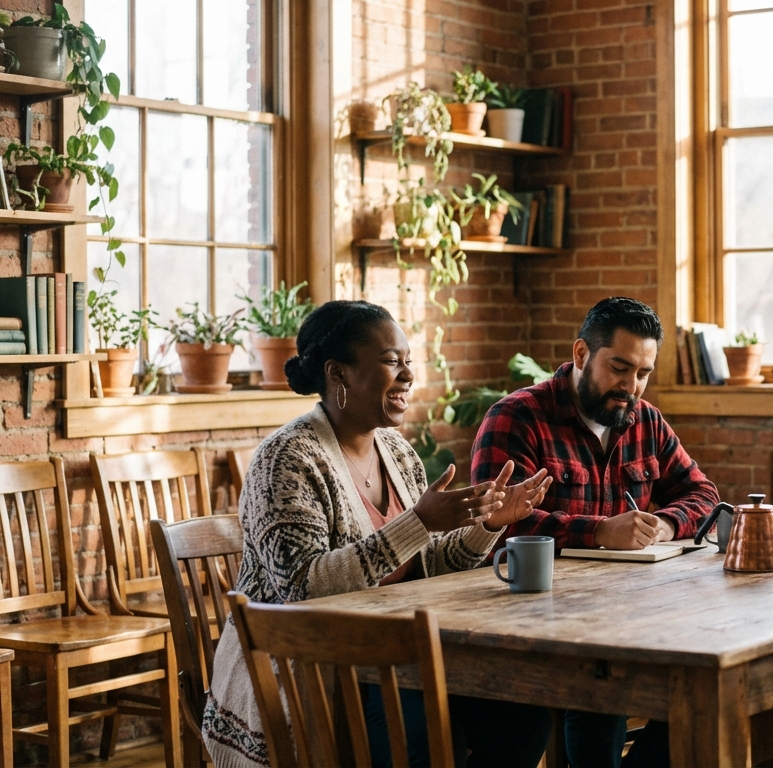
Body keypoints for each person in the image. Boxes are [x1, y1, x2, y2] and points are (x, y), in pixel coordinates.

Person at [203, 301, 555, 768]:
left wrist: (488, 524)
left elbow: (425, 566)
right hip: (310, 663)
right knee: (423, 730)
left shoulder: (397, 451)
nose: (408, 375)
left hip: (396, 655)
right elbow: (303, 588)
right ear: (338, 373)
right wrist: (419, 523)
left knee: (524, 712)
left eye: (408, 360)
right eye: (392, 361)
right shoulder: (286, 460)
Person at [471, 296, 719, 768]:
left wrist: (665, 524)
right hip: (530, 622)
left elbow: (703, 493)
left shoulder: (645, 420)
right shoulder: (515, 417)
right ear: (582, 353)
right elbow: (500, 523)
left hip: (624, 613)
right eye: (619, 368)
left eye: (643, 373)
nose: (631, 386)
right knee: (604, 694)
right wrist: (599, 531)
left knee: (700, 693)